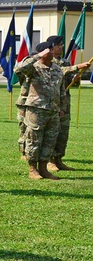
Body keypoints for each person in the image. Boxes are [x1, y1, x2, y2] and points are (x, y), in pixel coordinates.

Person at [15, 41, 88, 180]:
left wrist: (62, 108)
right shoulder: (34, 67)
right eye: (49, 50)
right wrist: (37, 56)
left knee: (50, 140)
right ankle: (33, 169)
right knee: (34, 139)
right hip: (36, 109)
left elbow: (61, 90)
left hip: (53, 110)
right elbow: (18, 69)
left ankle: (44, 169)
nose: (52, 52)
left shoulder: (57, 69)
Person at [48, 35, 87, 171]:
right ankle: (49, 160)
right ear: (51, 47)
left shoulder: (65, 62)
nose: (60, 48)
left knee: (63, 132)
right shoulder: (47, 61)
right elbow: (58, 72)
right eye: (57, 45)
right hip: (52, 103)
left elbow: (69, 81)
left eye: (61, 45)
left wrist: (75, 79)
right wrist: (77, 67)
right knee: (52, 132)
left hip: (65, 103)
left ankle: (58, 159)